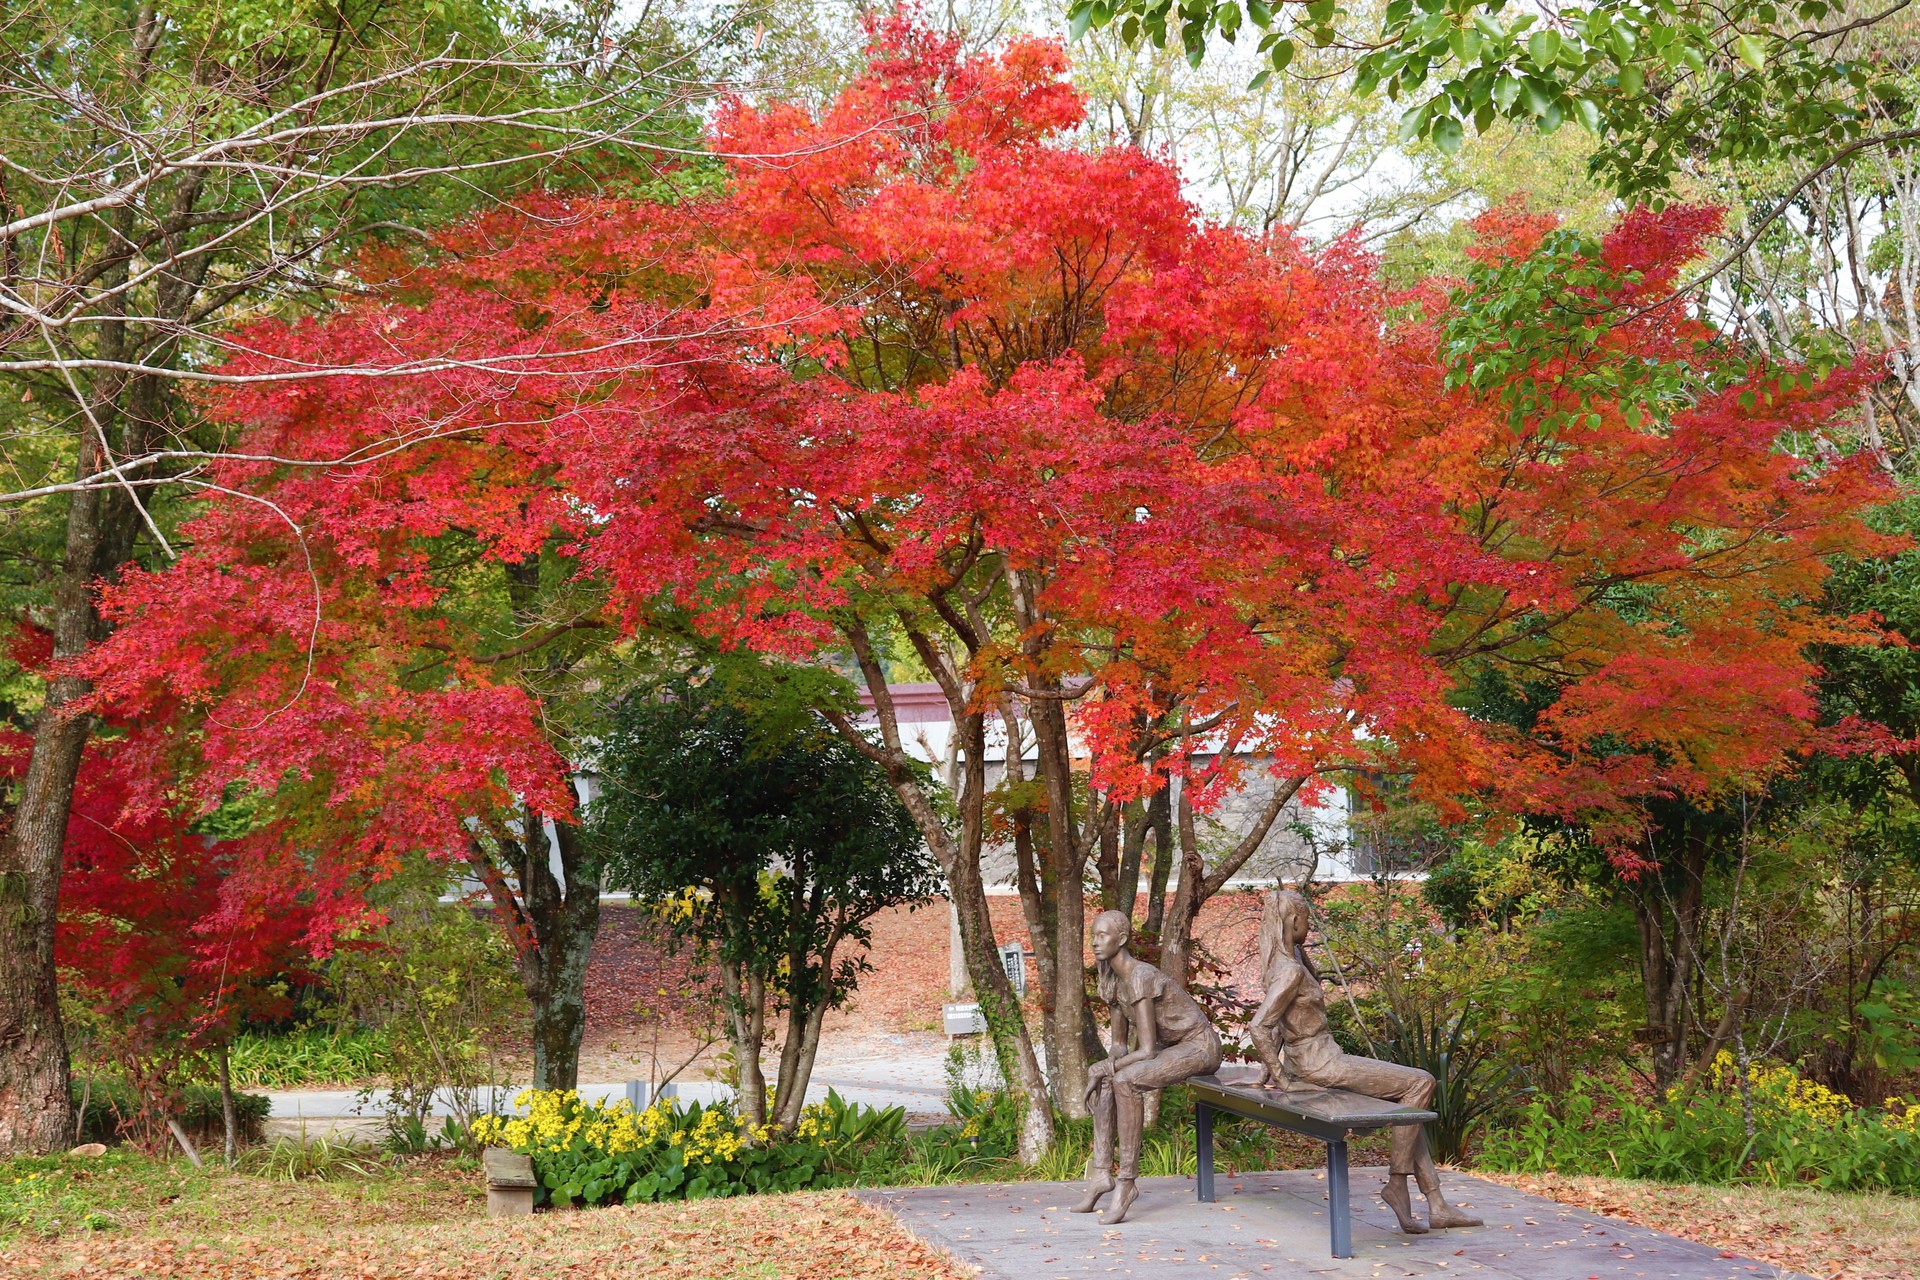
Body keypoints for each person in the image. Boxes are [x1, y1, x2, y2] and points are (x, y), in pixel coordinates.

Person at [1247, 889, 1482, 1235]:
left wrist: (1267, 1072)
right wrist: (1280, 1080)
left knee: (1409, 1110)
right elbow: (1260, 1026)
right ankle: (1397, 1183)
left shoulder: (1283, 962)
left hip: (1313, 1061)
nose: (1309, 926)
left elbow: (1281, 1022)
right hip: (1323, 1063)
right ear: (1294, 921)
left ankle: (1437, 1204)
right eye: (1307, 919)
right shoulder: (1289, 971)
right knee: (1421, 1082)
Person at [1072, 909, 1223, 1225]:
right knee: (1107, 1077)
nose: (1095, 943)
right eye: (1093, 936)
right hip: (1172, 1049)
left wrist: (1105, 1068)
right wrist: (1101, 1067)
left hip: (1199, 1046)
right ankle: (1101, 1172)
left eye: (1102, 936)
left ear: (1122, 939)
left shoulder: (1140, 976)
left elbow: (1148, 1049)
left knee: (1125, 1080)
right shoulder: (1113, 980)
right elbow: (1119, 1047)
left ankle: (1127, 1182)